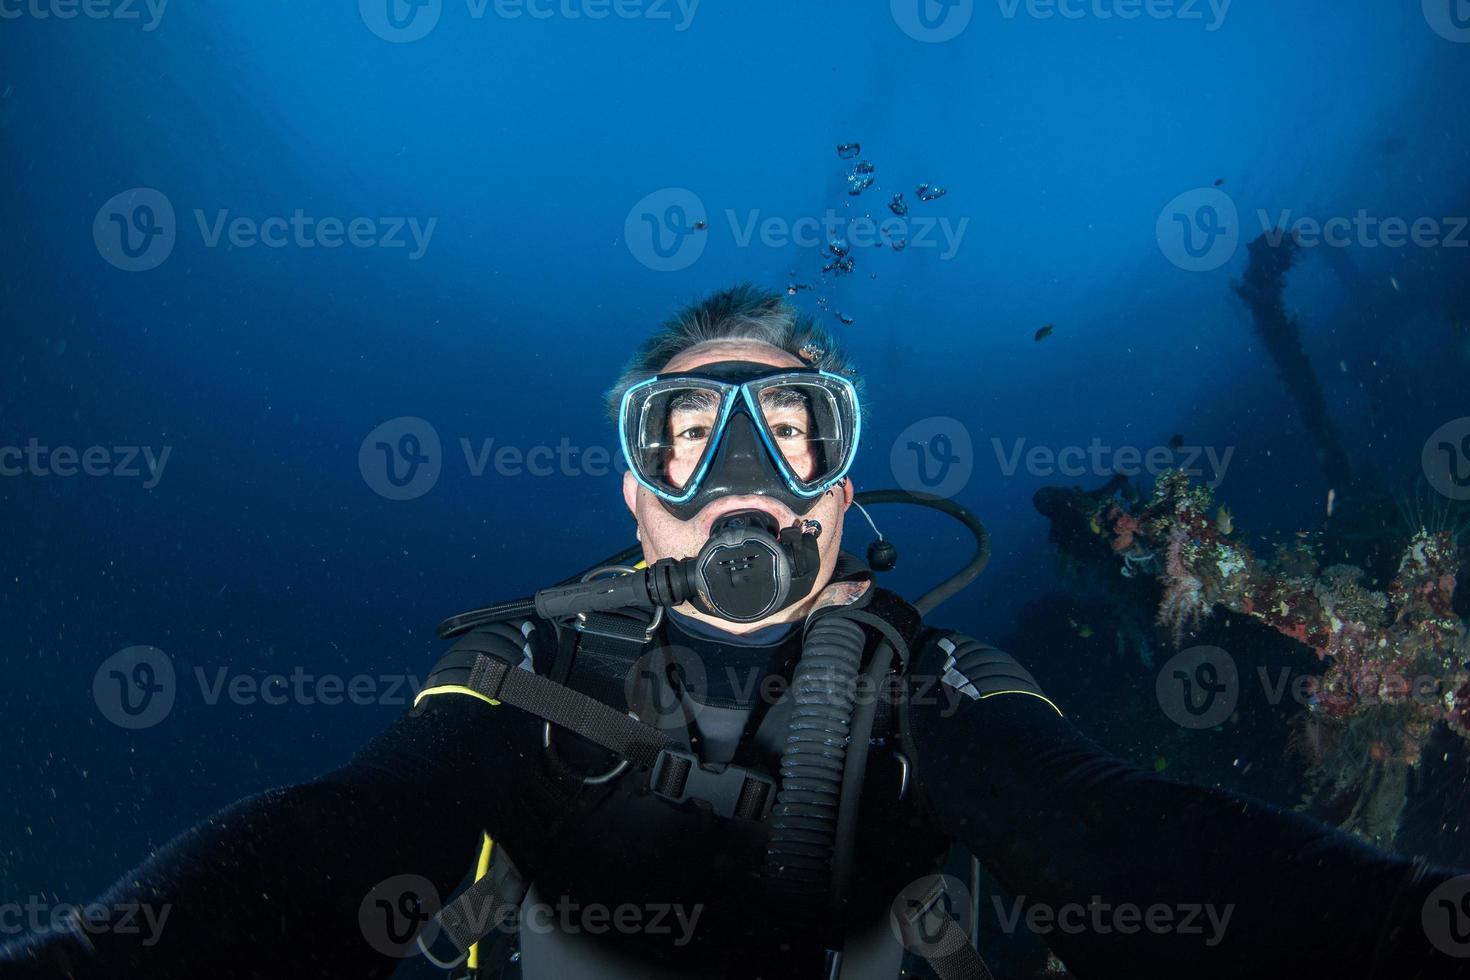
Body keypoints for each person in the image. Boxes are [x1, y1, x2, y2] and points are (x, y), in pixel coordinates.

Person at [3, 284, 1467, 980]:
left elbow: (1105, 829)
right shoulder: (517, 666)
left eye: (789, 439)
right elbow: (360, 825)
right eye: (691, 443)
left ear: (840, 490)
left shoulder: (933, 673)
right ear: (636, 495)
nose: (739, 492)